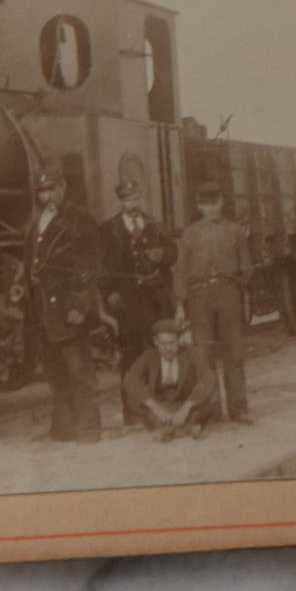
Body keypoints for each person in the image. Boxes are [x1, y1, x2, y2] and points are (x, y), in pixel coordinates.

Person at [24, 168, 102, 443]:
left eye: (53, 189)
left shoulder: (78, 220)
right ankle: (64, 430)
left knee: (80, 371)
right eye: (43, 191)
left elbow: (90, 266)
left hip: (68, 310)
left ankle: (89, 430)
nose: (48, 196)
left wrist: (80, 305)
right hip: (46, 312)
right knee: (56, 374)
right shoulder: (37, 224)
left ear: (63, 187)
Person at [173, 182, 254, 424]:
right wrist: (179, 303)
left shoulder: (235, 231)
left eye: (214, 203)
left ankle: (239, 408)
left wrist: (234, 286)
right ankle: (211, 410)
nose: (211, 209)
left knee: (234, 353)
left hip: (228, 294)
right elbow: (181, 271)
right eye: (205, 204)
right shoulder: (190, 233)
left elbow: (246, 267)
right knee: (203, 355)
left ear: (221, 203)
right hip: (199, 298)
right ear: (199, 206)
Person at [98, 180, 177, 423]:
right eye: (127, 200)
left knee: (156, 354)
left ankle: (159, 407)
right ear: (120, 202)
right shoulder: (108, 229)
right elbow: (101, 267)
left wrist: (162, 254)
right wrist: (110, 294)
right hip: (128, 304)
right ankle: (132, 413)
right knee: (131, 358)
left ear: (141, 197)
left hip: (154, 301)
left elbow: (173, 252)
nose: (132, 204)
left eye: (135, 199)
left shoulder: (154, 224)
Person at [122, 319, 217, 441]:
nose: (167, 348)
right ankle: (182, 429)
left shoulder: (191, 354)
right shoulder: (148, 356)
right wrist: (156, 408)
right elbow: (129, 379)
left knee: (212, 394)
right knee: (133, 398)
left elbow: (208, 378)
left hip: (184, 402)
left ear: (179, 341)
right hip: (160, 405)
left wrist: (186, 408)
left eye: (172, 343)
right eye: (163, 343)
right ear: (156, 342)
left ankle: (170, 429)